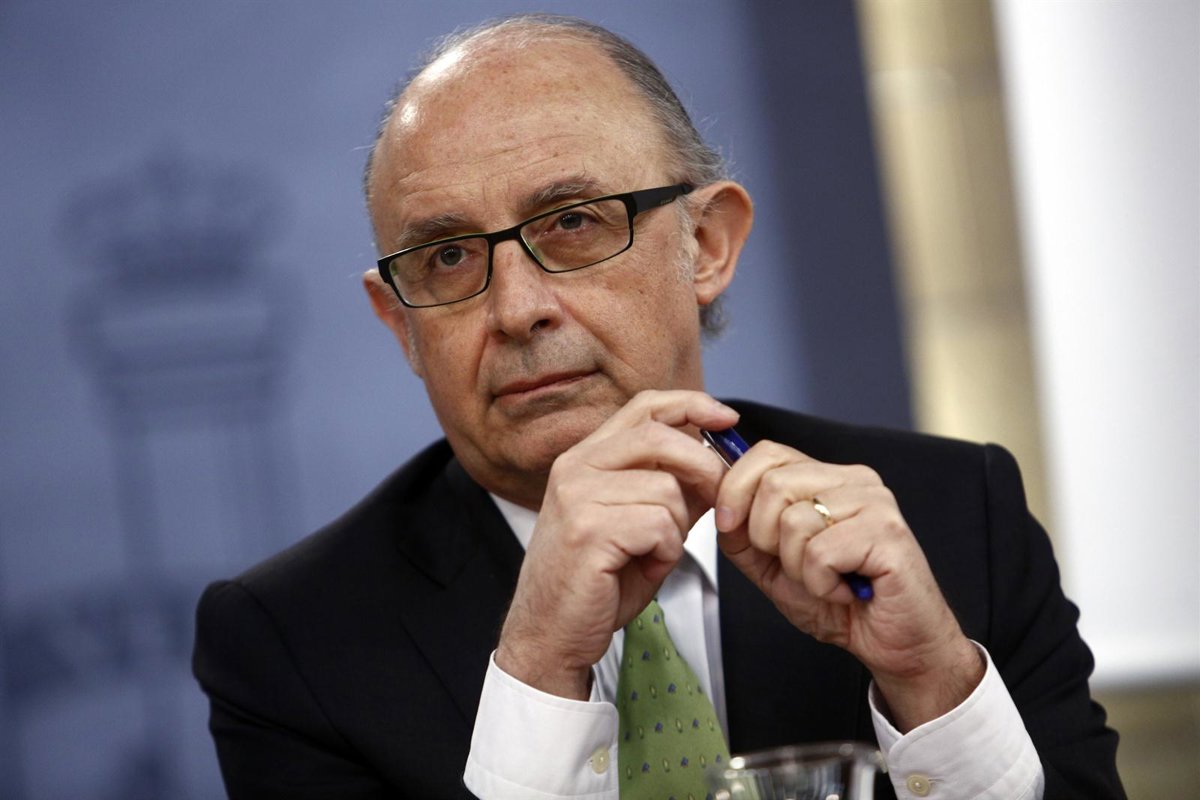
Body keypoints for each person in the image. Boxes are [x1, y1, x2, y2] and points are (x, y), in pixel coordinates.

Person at [192, 14, 1124, 800]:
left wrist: (932, 684)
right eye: (447, 258)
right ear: (400, 323)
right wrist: (536, 671)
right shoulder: (294, 642)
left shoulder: (954, 516)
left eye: (572, 222)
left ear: (707, 245)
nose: (516, 309)